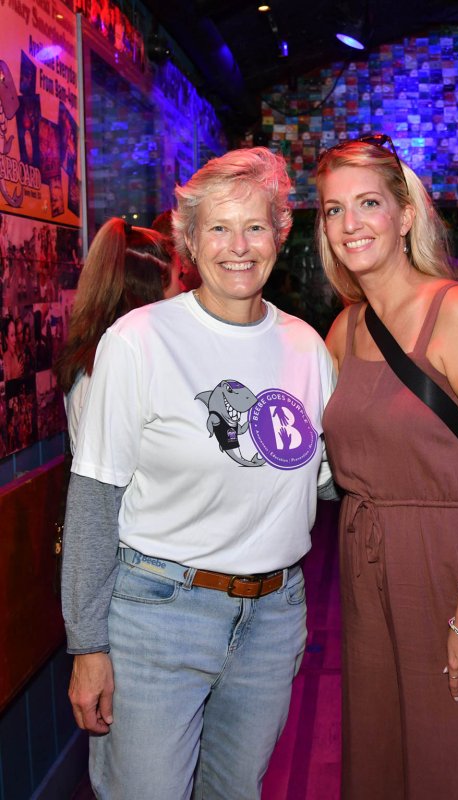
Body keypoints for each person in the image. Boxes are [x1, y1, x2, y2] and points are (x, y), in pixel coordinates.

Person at [61, 147, 336, 800]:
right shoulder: (138, 340)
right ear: (188, 240)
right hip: (159, 614)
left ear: (280, 233)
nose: (238, 247)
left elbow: (325, 481)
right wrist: (86, 645)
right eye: (218, 228)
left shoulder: (307, 346)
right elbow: (95, 502)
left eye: (255, 226)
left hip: (273, 618)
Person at [316, 134, 458, 799]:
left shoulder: (456, 312)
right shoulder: (343, 330)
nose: (349, 225)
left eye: (368, 204)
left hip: (454, 566)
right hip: (369, 567)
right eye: (331, 210)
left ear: (405, 215)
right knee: (384, 757)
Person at [53, 218, 173, 451]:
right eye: (179, 278)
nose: (185, 289)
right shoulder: (110, 367)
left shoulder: (102, 357)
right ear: (152, 288)